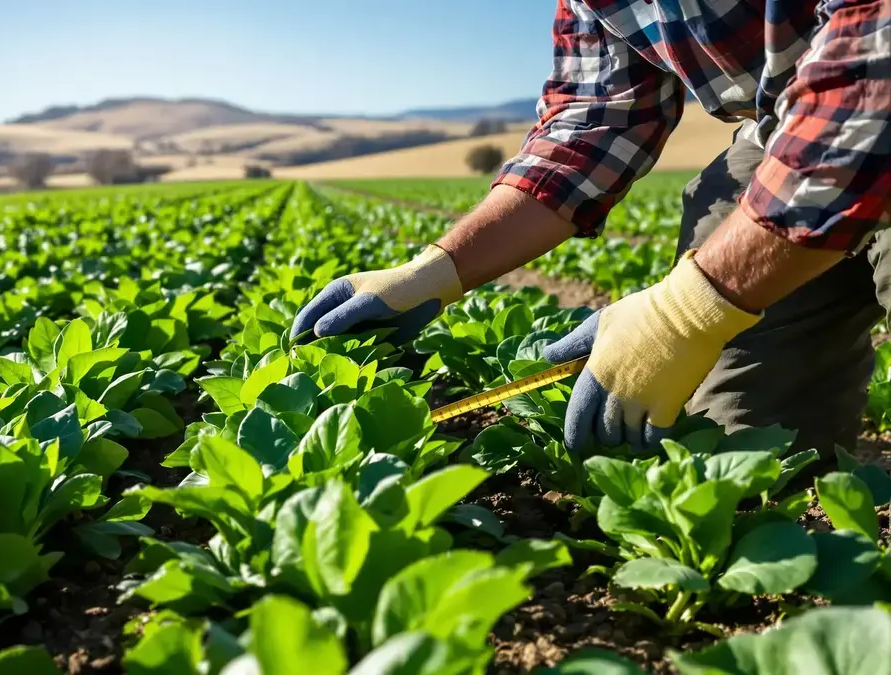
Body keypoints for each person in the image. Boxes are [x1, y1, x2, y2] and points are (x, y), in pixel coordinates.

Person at [291, 0, 890, 456]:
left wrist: (689, 310)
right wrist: (434, 271)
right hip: (784, 122)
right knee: (741, 441)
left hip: (867, 94)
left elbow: (874, 68)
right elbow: (591, 117)